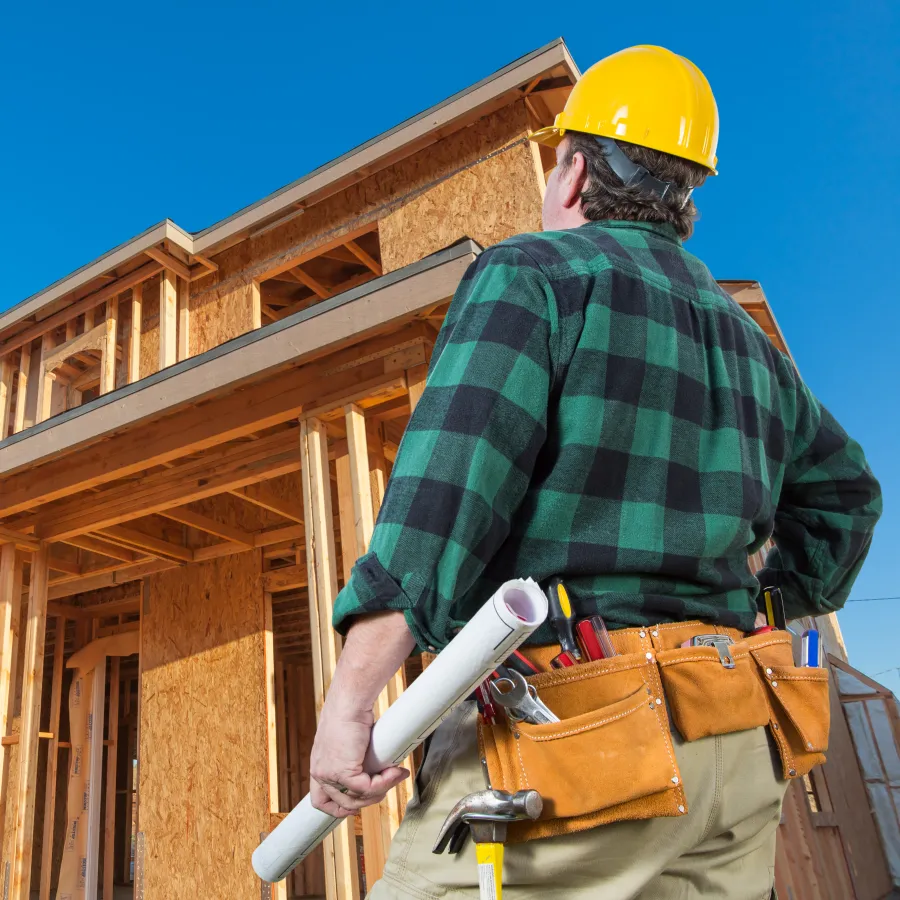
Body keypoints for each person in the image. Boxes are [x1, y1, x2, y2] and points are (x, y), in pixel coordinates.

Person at [307, 45, 881, 899]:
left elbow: (443, 499)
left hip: (575, 739)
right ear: (686, 202)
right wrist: (762, 606)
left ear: (573, 172)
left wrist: (353, 701)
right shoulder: (746, 341)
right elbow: (848, 498)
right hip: (736, 737)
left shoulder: (531, 277)